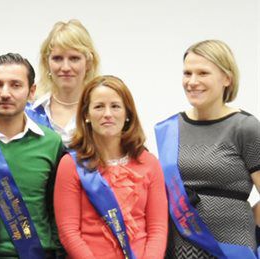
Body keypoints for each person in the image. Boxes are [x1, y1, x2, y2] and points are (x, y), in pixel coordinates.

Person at [157, 39, 260, 258]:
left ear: (227, 78)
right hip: (179, 249)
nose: (192, 81)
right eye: (187, 73)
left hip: (232, 249)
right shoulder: (170, 127)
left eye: (203, 73)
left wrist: (246, 223)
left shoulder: (245, 127)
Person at [53, 75, 167, 259]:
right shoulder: (71, 165)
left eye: (115, 106)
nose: (107, 113)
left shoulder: (150, 163)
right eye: (99, 106)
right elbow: (68, 232)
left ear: (128, 114)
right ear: (86, 115)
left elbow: (158, 230)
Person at [0, 53, 65, 258]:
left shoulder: (52, 143)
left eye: (16, 85)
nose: (5, 93)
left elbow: (57, 213)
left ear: (31, 91)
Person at [30, 19, 101, 145]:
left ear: (88, 63)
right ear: (47, 63)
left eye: (74, 58)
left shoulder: (103, 111)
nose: (66, 67)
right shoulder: (31, 111)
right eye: (57, 58)